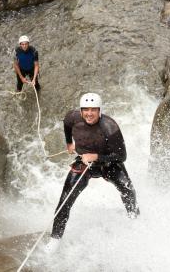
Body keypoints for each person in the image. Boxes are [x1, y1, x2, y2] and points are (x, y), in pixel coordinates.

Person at [46, 92, 139, 251]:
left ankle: (134, 220)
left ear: (99, 110)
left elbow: (121, 155)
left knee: (128, 189)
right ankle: (54, 241)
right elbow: (67, 127)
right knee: (64, 201)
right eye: (86, 110)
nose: (89, 113)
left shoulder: (109, 126)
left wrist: (96, 156)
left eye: (93, 110)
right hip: (84, 163)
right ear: (81, 111)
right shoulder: (72, 117)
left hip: (109, 162)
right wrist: (69, 143)